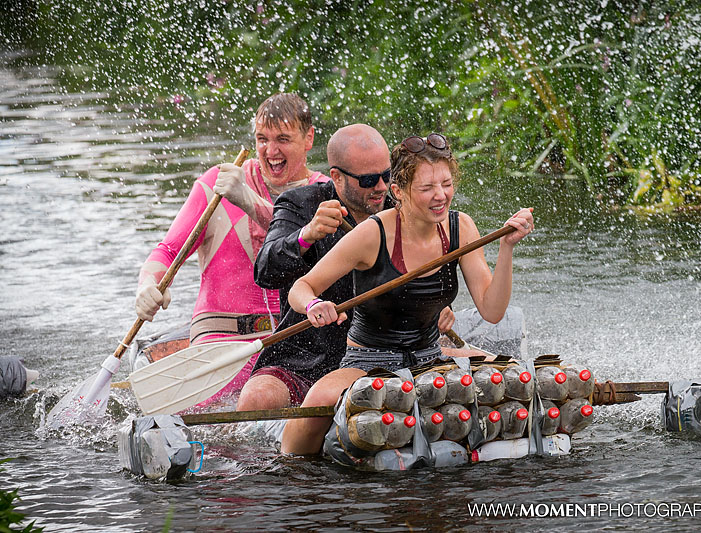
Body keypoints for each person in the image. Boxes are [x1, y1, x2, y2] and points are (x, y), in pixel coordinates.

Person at [281, 132, 534, 454]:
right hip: (368, 361)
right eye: (427, 188)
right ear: (398, 192)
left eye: (446, 184)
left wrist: (506, 248)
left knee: (517, 379)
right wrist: (315, 304)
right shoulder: (373, 233)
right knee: (318, 401)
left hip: (430, 356)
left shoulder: (461, 228)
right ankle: (289, 468)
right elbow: (301, 288)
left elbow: (492, 311)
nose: (440, 195)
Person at [236, 124, 456, 410]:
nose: (381, 187)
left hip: (382, 354)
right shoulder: (299, 204)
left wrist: (433, 306)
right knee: (256, 399)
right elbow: (265, 271)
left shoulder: (404, 205)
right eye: (367, 180)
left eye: (386, 176)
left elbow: (430, 266)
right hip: (304, 356)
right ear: (337, 178)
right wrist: (307, 235)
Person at [134, 92, 328, 405]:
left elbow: (304, 242)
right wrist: (146, 286)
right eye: (262, 139)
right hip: (219, 340)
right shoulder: (218, 183)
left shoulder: (322, 194)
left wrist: (248, 201)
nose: (271, 151)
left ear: (308, 139)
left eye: (283, 139)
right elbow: (167, 252)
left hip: (291, 345)